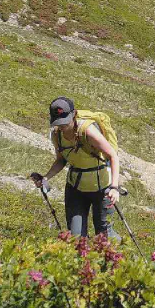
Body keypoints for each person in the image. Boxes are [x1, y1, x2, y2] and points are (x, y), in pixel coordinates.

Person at [30, 96, 121, 238]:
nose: (62, 127)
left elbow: (113, 156)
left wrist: (114, 188)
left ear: (74, 114)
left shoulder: (88, 131)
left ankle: (124, 257)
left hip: (102, 189)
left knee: (104, 235)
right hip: (75, 189)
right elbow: (61, 160)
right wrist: (46, 178)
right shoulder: (56, 135)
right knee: (76, 237)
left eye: (65, 123)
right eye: (58, 123)